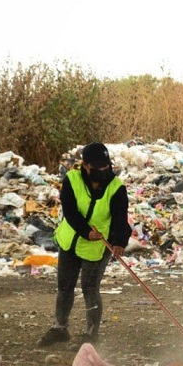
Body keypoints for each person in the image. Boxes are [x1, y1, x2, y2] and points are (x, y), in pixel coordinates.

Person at [37, 142, 131, 347]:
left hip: (97, 246)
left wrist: (119, 242)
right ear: (86, 166)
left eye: (106, 165)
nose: (104, 169)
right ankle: (60, 328)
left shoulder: (116, 188)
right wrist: (86, 232)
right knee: (65, 286)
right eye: (98, 166)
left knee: (90, 287)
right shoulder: (72, 179)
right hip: (71, 241)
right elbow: (70, 212)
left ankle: (91, 335)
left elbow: (120, 219)